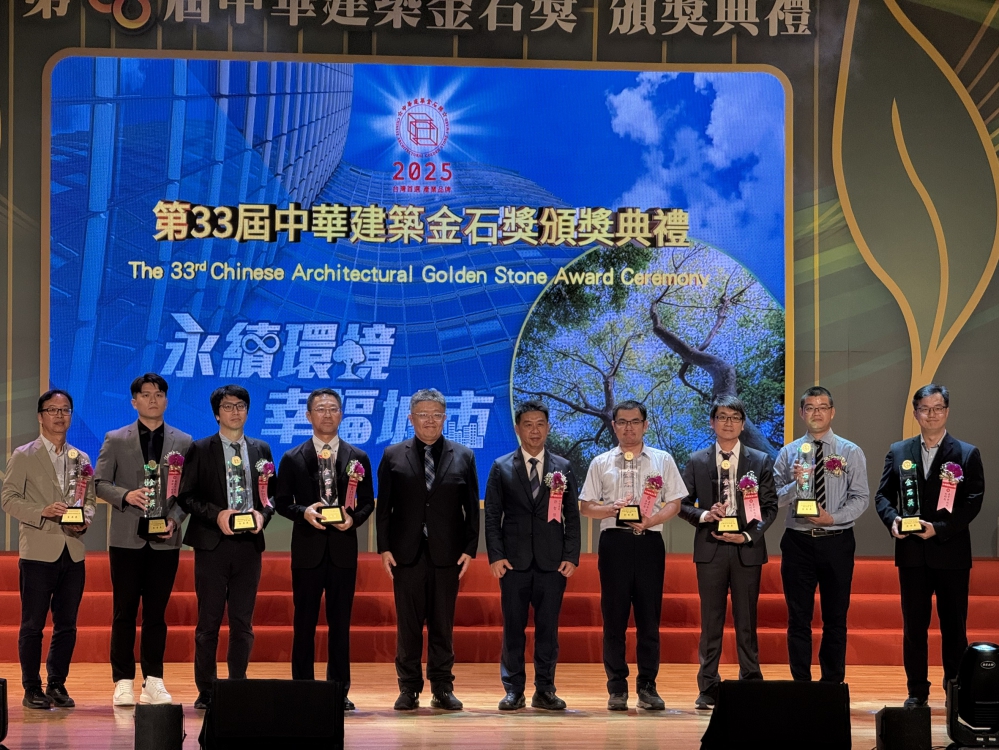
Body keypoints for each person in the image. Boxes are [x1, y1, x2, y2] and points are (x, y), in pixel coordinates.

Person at [874, 384, 984, 707]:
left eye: (937, 408)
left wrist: (939, 529)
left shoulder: (966, 453)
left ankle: (955, 693)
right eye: (925, 409)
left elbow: (973, 501)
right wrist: (893, 520)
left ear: (946, 412)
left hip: (951, 554)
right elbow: (882, 496)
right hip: (911, 554)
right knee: (914, 629)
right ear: (915, 413)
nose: (931, 415)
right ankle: (916, 693)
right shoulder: (899, 451)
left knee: (954, 629)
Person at [579, 400, 686, 712]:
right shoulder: (601, 462)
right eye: (622, 422)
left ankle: (648, 686)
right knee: (614, 618)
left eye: (635, 421)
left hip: (649, 542)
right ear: (614, 426)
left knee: (649, 619)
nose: (629, 428)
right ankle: (617, 687)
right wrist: (609, 509)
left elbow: (675, 502)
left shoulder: (662, 460)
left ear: (645, 425)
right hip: (614, 543)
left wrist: (652, 520)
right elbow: (586, 506)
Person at [376, 388, 479, 711]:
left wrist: (470, 549)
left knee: (442, 625)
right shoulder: (393, 455)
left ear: (445, 418)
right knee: (408, 626)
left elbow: (471, 509)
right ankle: (408, 688)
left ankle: (442, 687)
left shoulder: (464, 455)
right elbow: (384, 509)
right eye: (423, 414)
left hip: (448, 554)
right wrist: (384, 548)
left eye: (436, 415)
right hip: (405, 554)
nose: (430, 420)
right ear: (411, 418)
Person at [94, 373, 193, 706]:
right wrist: (126, 495)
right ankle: (123, 680)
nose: (153, 399)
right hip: (126, 539)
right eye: (146, 394)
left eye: (159, 394)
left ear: (167, 400)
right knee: (124, 611)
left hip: (165, 538)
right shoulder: (115, 439)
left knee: (156, 613)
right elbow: (99, 483)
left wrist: (174, 519)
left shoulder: (184, 441)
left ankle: (154, 680)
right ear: (134, 401)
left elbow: (189, 492)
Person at [176, 384, 275, 710]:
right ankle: (206, 690)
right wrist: (217, 514)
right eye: (228, 406)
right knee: (209, 623)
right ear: (217, 413)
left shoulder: (261, 449)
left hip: (249, 546)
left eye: (241, 406)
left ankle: (237, 684)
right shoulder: (200, 448)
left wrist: (263, 515)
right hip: (212, 545)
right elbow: (186, 496)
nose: (235, 411)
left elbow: (271, 496)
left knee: (242, 623)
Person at [275, 388, 374, 711]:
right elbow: (281, 502)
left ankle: (338, 690)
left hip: (343, 552)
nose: (327, 414)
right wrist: (303, 512)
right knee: (303, 623)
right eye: (320, 409)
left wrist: (353, 520)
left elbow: (367, 502)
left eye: (333, 408)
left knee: (340, 625)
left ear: (341, 414)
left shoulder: (358, 457)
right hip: (307, 551)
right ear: (308, 416)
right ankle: (302, 687)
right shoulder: (293, 457)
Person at [678, 395, 779, 711]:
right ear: (712, 422)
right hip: (710, 548)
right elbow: (681, 504)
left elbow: (770, 507)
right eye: (722, 417)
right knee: (711, 621)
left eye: (735, 417)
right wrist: (705, 515)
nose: (728, 423)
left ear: (743, 424)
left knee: (747, 620)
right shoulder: (697, 460)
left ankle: (751, 681)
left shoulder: (760, 460)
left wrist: (748, 534)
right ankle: (708, 685)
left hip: (746, 548)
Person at [1, 389, 96, 709]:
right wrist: (42, 511)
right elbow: (8, 499)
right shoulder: (24, 455)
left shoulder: (81, 458)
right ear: (40, 416)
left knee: (67, 624)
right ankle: (31, 687)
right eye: (52, 410)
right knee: (33, 624)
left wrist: (85, 520)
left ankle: (57, 683)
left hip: (73, 550)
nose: (59, 415)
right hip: (38, 551)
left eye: (65, 410)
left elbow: (89, 501)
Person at [484, 400, 581, 711]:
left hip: (552, 562)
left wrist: (571, 555)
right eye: (528, 424)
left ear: (548, 428)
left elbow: (572, 515)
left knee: (548, 630)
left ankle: (545, 690)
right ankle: (513, 690)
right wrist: (496, 556)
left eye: (540, 424)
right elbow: (492, 515)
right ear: (517, 428)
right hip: (513, 563)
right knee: (513, 628)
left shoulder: (563, 467)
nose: (534, 430)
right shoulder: (501, 466)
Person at [773, 386, 868, 683]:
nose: (817, 413)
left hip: (837, 541)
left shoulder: (850, 451)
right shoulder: (788, 452)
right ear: (802, 413)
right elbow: (773, 497)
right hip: (798, 542)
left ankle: (831, 684)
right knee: (798, 618)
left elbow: (861, 497)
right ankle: (801, 684)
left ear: (832, 412)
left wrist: (833, 518)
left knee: (835, 618)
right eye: (810, 408)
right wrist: (795, 483)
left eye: (822, 407)